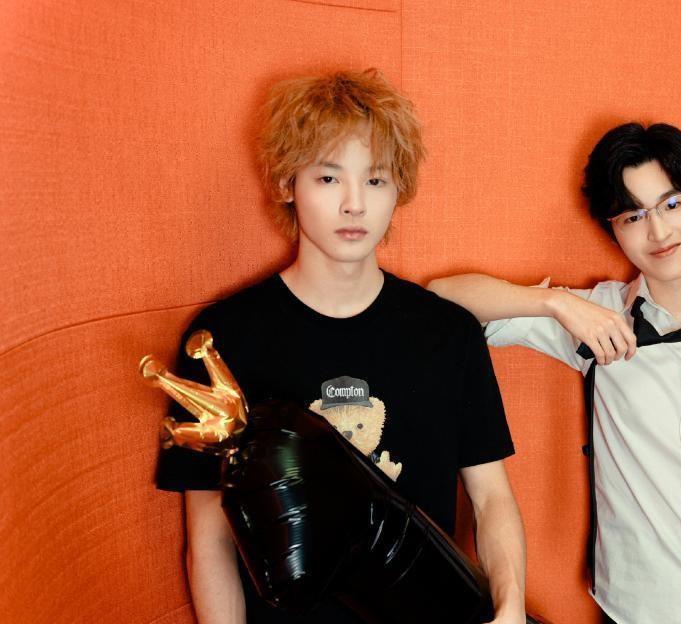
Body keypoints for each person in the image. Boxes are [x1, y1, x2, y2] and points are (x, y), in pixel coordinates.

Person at [429, 122, 681, 624]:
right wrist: (556, 303)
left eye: (672, 204)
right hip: (644, 608)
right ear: (614, 229)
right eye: (634, 216)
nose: (659, 232)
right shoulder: (596, 318)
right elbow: (440, 301)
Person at [154, 69, 527, 624]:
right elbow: (210, 536)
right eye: (329, 178)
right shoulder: (225, 337)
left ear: (398, 189)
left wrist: (511, 606)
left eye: (375, 180)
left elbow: (492, 496)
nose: (354, 205)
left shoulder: (448, 334)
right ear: (288, 183)